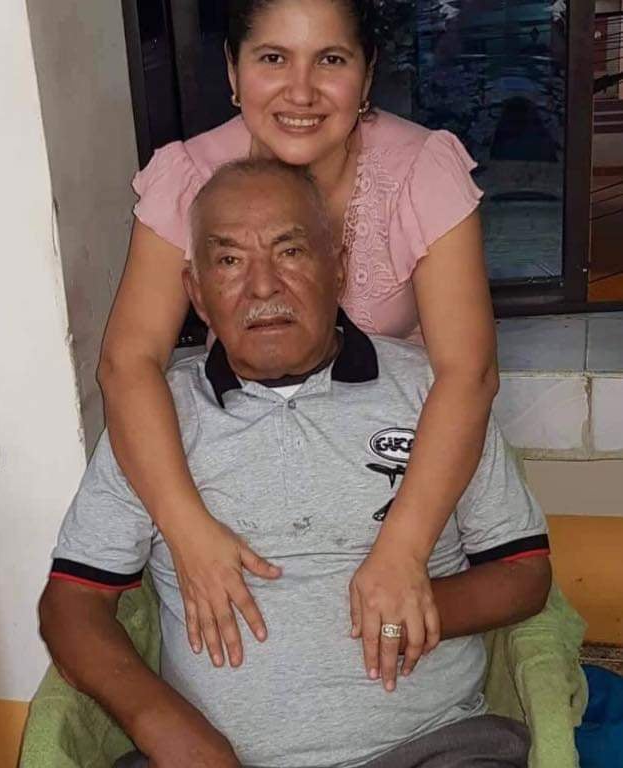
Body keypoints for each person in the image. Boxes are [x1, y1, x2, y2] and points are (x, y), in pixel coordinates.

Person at [41, 160, 551, 768]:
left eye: (289, 252)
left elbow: (525, 573)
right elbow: (70, 605)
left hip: (430, 748)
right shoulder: (155, 419)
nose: (262, 287)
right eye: (229, 261)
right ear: (196, 292)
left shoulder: (432, 394)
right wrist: (163, 724)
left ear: (337, 269)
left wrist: (419, 609)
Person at [98, 0, 499, 682]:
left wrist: (403, 549)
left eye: (331, 60)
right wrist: (188, 531)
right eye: (273, 58)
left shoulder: (420, 171)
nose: (302, 92)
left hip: (398, 463)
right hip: (251, 453)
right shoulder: (189, 179)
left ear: (367, 74)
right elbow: (126, 361)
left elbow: (471, 372)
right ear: (233, 71)